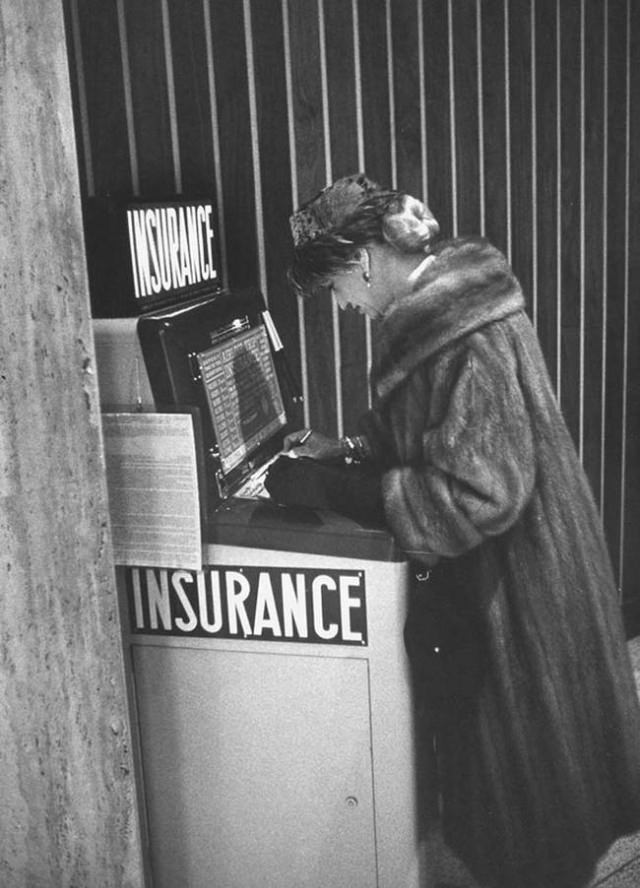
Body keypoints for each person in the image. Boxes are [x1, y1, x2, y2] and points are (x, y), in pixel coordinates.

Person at [266, 173, 640, 888]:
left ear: (364, 260)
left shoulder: (458, 335)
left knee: (530, 833)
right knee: (527, 824)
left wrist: (347, 490)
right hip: (515, 591)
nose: (344, 307)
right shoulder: (446, 317)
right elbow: (439, 445)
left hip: (520, 611)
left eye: (338, 289)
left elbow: (477, 489)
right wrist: (345, 456)